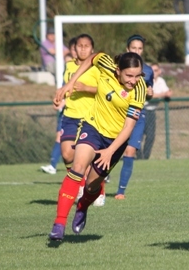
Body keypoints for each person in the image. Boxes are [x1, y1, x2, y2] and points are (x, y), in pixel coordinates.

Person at [49, 51, 147, 241]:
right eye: (129, 75)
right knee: (77, 169)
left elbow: (128, 127)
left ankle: (83, 206)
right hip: (92, 127)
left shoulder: (140, 88)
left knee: (93, 187)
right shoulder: (106, 64)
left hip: (115, 141)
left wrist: (110, 151)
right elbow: (92, 58)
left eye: (137, 75)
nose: (133, 80)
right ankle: (59, 224)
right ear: (118, 71)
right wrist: (69, 84)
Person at [114, 34, 154, 200]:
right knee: (112, 149)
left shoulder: (148, 70)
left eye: (140, 48)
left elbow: (148, 93)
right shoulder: (118, 66)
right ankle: (101, 178)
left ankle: (120, 191)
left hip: (137, 114)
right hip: (116, 114)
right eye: (133, 48)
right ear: (127, 49)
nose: (137, 51)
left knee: (130, 151)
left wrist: (150, 94)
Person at [41, 37, 77, 175]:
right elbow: (64, 89)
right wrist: (59, 99)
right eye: (73, 49)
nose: (75, 52)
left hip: (82, 112)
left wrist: (64, 102)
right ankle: (53, 165)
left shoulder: (88, 70)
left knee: (87, 144)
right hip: (67, 111)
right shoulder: (68, 69)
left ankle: (100, 172)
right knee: (59, 137)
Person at [137, 63, 173, 160]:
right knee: (138, 136)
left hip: (151, 112)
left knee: (150, 136)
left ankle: (145, 158)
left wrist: (167, 93)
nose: (154, 72)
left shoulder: (161, 81)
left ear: (159, 71)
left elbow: (168, 92)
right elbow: (150, 95)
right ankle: (139, 157)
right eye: (152, 70)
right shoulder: (145, 80)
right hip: (141, 111)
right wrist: (163, 94)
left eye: (156, 70)